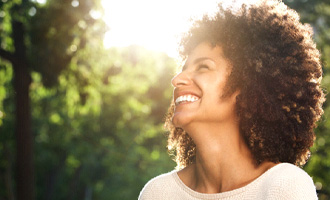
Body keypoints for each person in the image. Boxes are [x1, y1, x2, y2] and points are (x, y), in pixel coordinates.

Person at [139, 0, 325, 199]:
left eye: (203, 67)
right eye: (183, 69)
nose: (177, 79)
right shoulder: (158, 193)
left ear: (246, 86)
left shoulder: (284, 186)